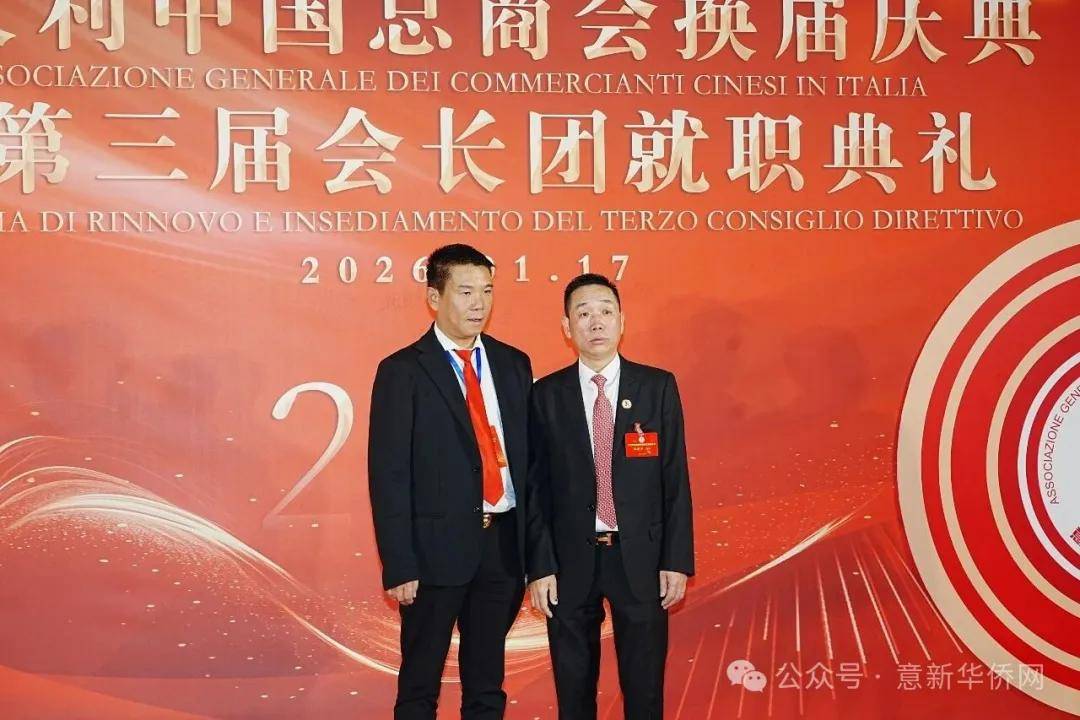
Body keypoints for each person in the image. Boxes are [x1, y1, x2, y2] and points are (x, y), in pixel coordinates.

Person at [368, 244, 532, 719]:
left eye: (487, 291)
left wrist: (536, 550)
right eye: (465, 291)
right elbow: (389, 473)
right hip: (432, 552)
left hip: (503, 548)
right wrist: (399, 563)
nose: (479, 303)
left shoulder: (513, 363)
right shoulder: (402, 371)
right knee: (420, 686)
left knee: (487, 685)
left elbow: (530, 462)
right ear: (434, 297)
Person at [525, 273, 695, 719]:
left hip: (640, 559)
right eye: (583, 314)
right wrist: (540, 566)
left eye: (605, 311)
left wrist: (676, 560)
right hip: (569, 564)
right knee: (574, 696)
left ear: (622, 321)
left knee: (644, 693)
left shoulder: (656, 386)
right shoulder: (546, 395)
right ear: (567, 327)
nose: (595, 322)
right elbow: (535, 488)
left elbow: (674, 477)